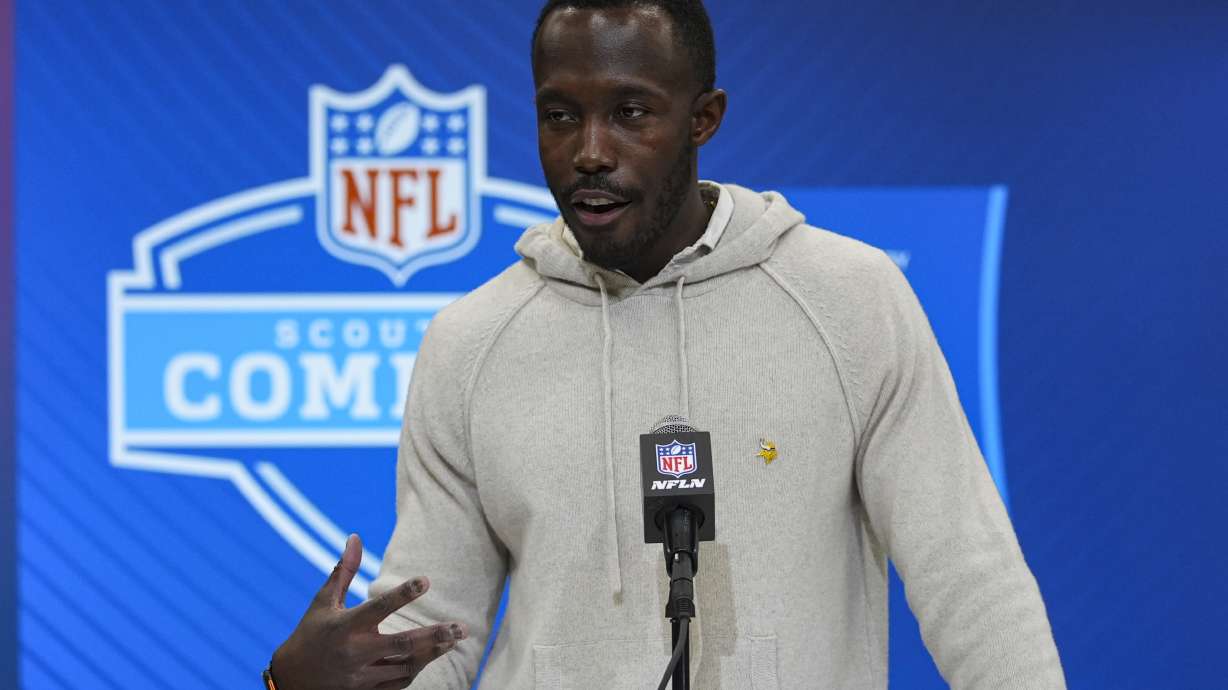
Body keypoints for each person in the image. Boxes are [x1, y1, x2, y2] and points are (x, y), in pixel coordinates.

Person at [268, 1, 1066, 688]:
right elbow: (435, 632)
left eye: (630, 113)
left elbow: (969, 578)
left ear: (704, 117)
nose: (589, 151)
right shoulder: (469, 343)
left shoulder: (849, 299)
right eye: (559, 115)